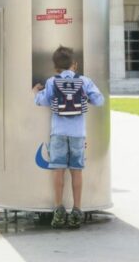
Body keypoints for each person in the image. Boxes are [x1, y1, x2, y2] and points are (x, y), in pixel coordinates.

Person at [32, 46, 104, 229]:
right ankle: (76, 211)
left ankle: (58, 210)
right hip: (78, 133)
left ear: (56, 66)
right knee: (76, 171)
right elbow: (100, 100)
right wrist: (84, 97)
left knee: (58, 171)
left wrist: (35, 92)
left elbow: (42, 101)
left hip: (58, 133)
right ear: (74, 64)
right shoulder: (84, 81)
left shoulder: (51, 81)